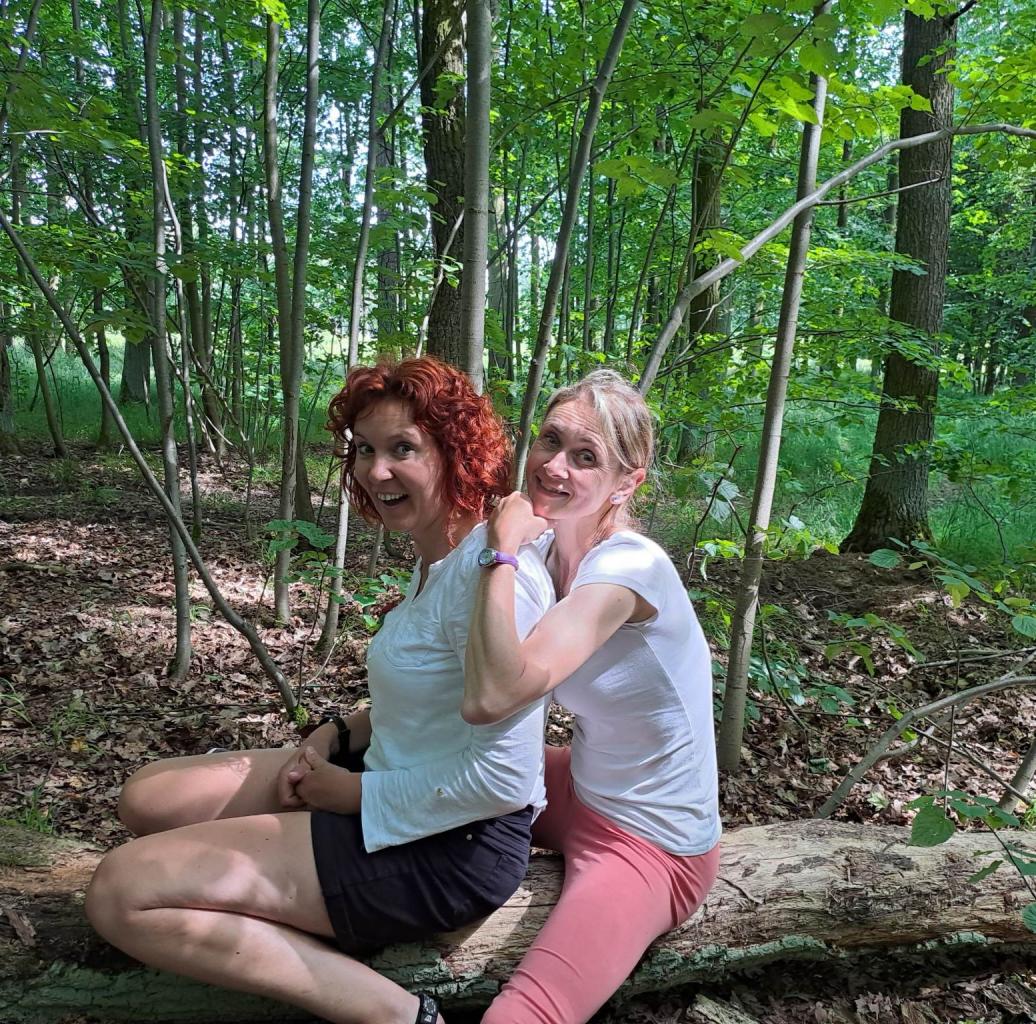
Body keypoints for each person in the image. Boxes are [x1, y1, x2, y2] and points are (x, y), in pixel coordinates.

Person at [85, 356, 555, 1024]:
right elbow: (427, 700)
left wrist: (355, 797)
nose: (376, 471)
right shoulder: (437, 559)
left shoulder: (497, 576)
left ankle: (393, 1012)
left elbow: (504, 781)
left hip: (450, 846)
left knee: (121, 891)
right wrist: (336, 735)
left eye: (402, 449)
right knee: (149, 796)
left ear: (457, 453)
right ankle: (297, 901)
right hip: (388, 772)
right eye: (364, 450)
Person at [463, 369, 721, 1024]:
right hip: (579, 784)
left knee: (524, 1014)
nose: (555, 466)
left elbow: (495, 693)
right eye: (551, 441)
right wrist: (356, 730)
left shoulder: (630, 568)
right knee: (410, 770)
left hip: (652, 841)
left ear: (626, 483)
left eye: (586, 458)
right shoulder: (550, 549)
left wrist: (500, 548)